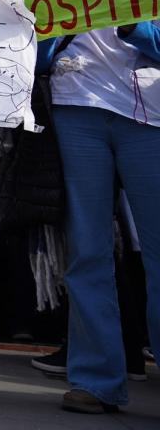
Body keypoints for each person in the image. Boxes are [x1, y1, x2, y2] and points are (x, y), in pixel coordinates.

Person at [39, 20, 160, 414]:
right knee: (87, 251)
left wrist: (133, 27)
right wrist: (51, 30)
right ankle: (95, 380)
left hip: (149, 115)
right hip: (76, 106)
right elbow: (34, 58)